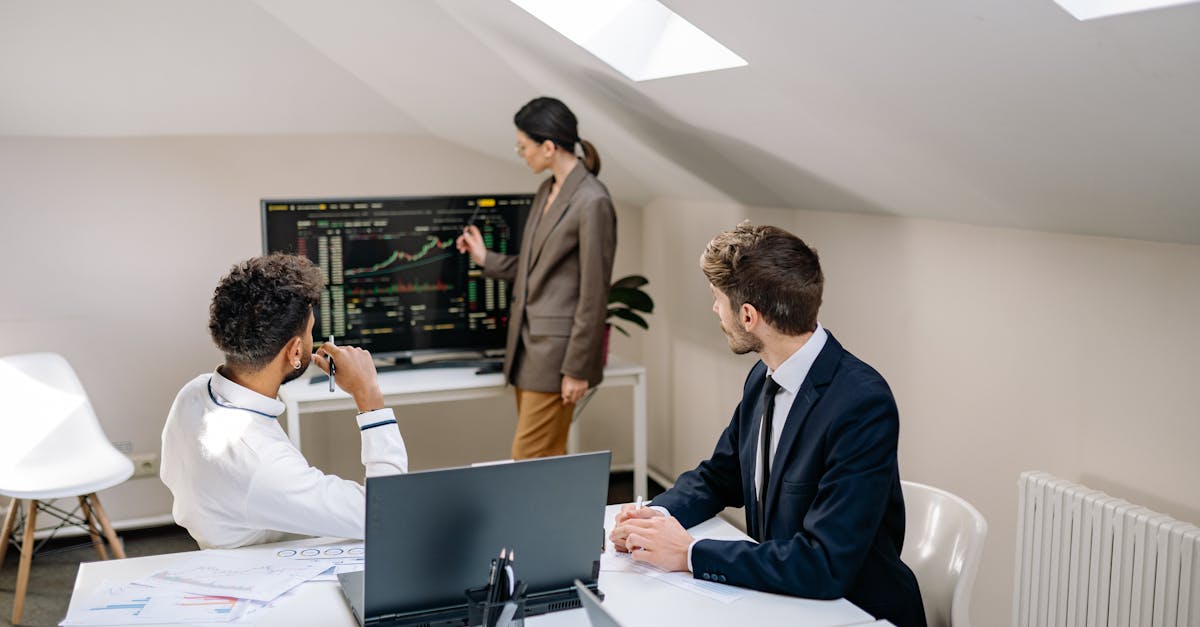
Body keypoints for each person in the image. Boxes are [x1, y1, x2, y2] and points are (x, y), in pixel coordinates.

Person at [610, 223, 926, 627]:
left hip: (852, 611)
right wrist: (652, 518)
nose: (714, 312)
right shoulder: (764, 376)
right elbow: (718, 477)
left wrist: (690, 553)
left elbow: (824, 563)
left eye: (716, 300)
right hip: (781, 601)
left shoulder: (862, 404)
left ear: (748, 316)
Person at [160, 253, 408, 550]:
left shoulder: (192, 393)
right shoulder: (263, 465)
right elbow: (387, 515)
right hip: (274, 573)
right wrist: (369, 397)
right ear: (294, 352)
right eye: (311, 332)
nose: (313, 339)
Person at [456, 96, 617, 459]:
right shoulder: (547, 191)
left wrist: (577, 369)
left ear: (548, 146)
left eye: (523, 146)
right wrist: (485, 258)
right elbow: (535, 270)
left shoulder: (593, 201)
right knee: (544, 461)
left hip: (558, 358)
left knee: (527, 460)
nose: (520, 152)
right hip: (528, 350)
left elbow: (594, 293)